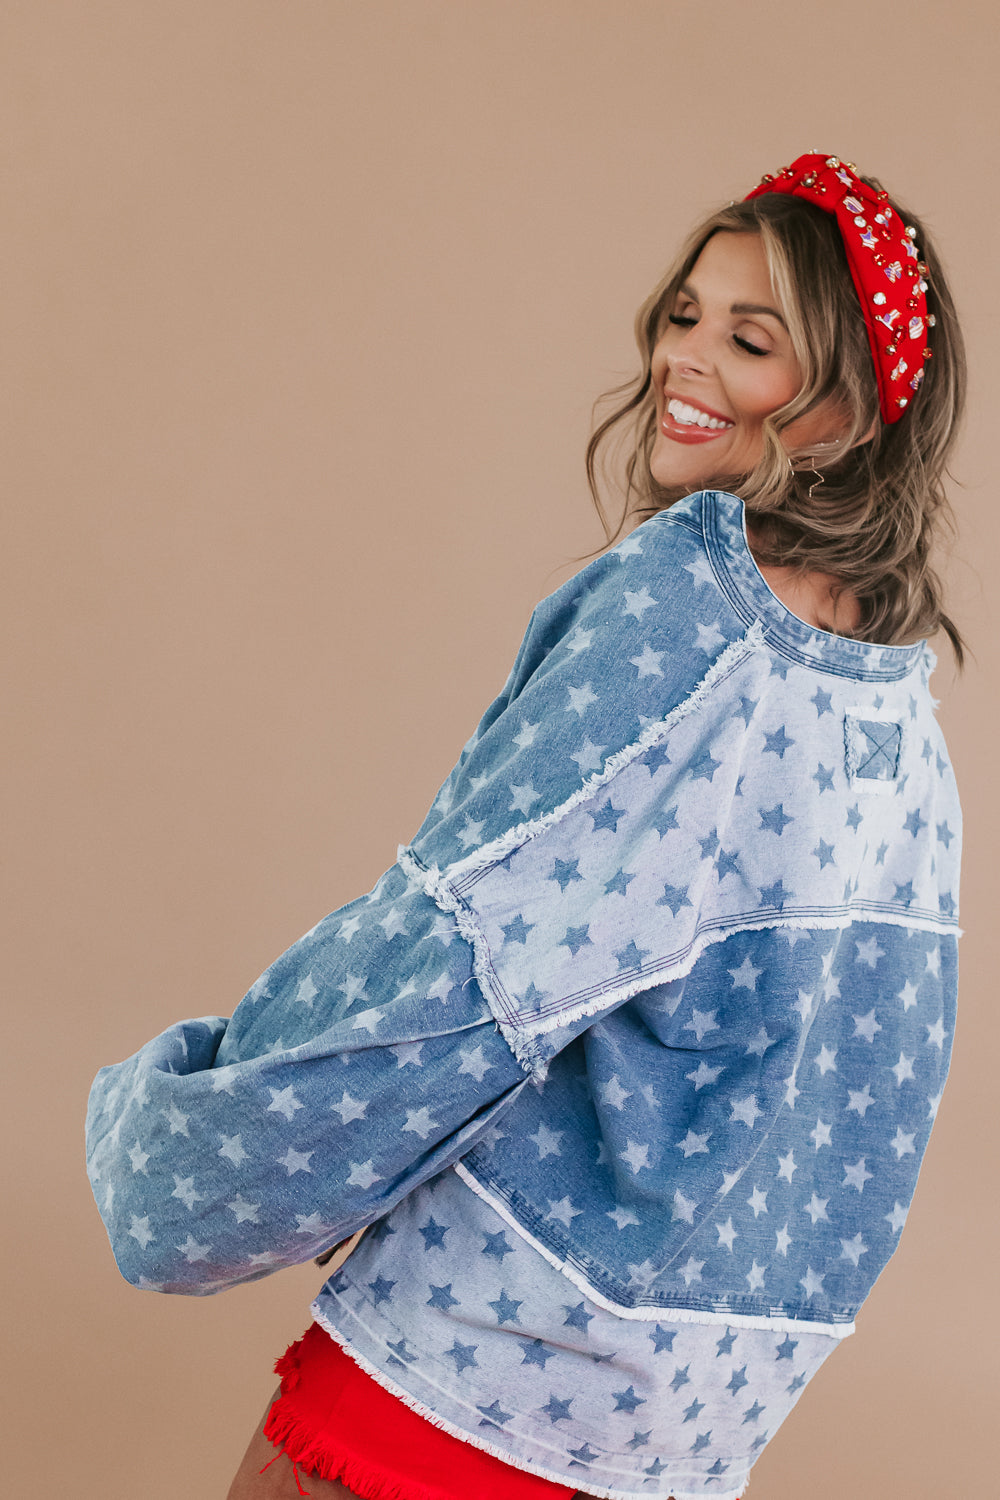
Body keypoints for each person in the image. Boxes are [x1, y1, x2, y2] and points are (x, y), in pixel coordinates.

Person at [86, 152, 965, 1500]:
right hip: (677, 1432)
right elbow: (863, 1114)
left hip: (470, 1364)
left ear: (852, 406)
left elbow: (457, 962)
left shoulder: (682, 605)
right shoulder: (893, 708)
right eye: (686, 315)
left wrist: (188, 1150)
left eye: (751, 341)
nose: (684, 358)